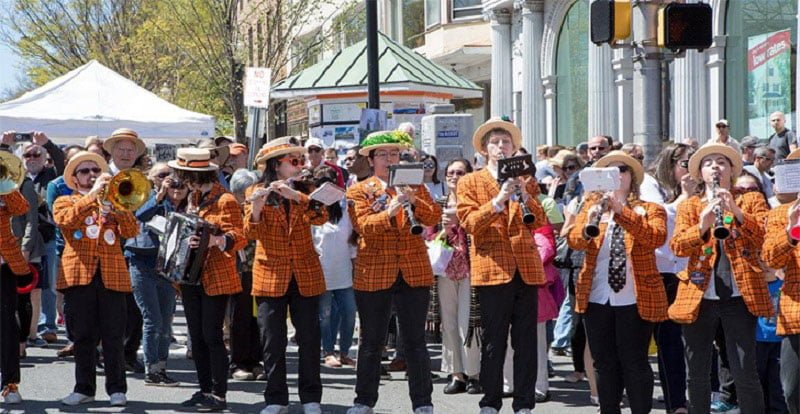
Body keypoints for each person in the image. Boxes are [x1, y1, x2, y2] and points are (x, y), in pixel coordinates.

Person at [669, 143, 772, 414]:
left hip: (739, 296)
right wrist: (703, 224)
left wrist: (735, 211)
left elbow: (763, 235)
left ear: (732, 170)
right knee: (697, 371)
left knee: (744, 371)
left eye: (721, 162)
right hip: (699, 295)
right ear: (701, 172)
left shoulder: (750, 199)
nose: (715, 167)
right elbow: (678, 245)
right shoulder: (690, 205)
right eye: (708, 163)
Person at [345, 130, 441, 414]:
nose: (390, 159)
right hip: (374, 270)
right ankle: (364, 400)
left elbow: (433, 217)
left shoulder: (414, 185)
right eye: (384, 155)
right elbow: (364, 227)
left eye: (395, 154)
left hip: (413, 269)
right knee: (371, 342)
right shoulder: (359, 190)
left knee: (415, 341)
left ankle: (423, 402)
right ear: (372, 160)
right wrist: (391, 209)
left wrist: (413, 200)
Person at [457, 118, 547, 414]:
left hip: (525, 268)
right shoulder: (470, 181)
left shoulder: (525, 178)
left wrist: (522, 191)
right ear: (484, 149)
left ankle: (524, 403)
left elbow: (540, 219)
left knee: (526, 341)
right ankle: (490, 401)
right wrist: (498, 200)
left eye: (505, 142)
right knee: (494, 340)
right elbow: (470, 223)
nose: (500, 147)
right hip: (493, 268)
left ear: (513, 147)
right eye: (495, 143)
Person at [567, 151, 668, 414]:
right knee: (603, 362)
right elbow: (575, 241)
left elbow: (655, 237)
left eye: (621, 169)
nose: (615, 175)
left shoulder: (649, 209)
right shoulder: (590, 206)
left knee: (634, 362)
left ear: (631, 177)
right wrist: (591, 218)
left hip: (636, 296)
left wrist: (621, 210)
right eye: (608, 171)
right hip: (597, 295)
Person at [243, 137, 328, 414]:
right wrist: (256, 207)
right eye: (294, 161)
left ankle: (311, 397)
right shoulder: (256, 189)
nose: (300, 164)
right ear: (275, 165)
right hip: (270, 274)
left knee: (309, 338)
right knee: (272, 340)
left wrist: (298, 197)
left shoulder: (307, 188)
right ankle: (276, 398)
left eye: (300, 160)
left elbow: (322, 216)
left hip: (305, 272)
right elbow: (249, 234)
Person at [53, 151, 139, 407]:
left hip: (111, 276)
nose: (91, 176)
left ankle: (117, 390)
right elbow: (64, 221)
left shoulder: (114, 201)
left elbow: (132, 230)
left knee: (114, 336)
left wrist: (117, 207)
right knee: (83, 337)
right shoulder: (64, 201)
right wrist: (92, 197)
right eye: (85, 172)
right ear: (75, 179)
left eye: (95, 171)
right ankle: (84, 388)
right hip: (79, 276)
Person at [168, 148, 246, 411]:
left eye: (187, 176)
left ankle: (219, 394)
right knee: (198, 335)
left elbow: (240, 235)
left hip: (217, 276)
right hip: (191, 276)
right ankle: (204, 389)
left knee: (212, 335)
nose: (185, 181)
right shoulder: (193, 198)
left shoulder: (225, 200)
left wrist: (216, 240)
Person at [639, 142, 696, 414]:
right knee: (662, 340)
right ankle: (663, 400)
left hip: (685, 268)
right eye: (686, 164)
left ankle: (681, 401)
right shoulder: (649, 184)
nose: (690, 171)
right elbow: (660, 216)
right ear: (670, 162)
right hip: (657, 269)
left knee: (684, 339)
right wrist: (685, 196)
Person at [124, 163, 181, 387]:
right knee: (152, 320)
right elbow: (140, 215)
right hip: (141, 263)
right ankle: (151, 370)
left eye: (170, 175)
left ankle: (161, 368)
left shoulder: (175, 199)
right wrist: (157, 196)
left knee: (166, 321)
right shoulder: (142, 196)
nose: (167, 179)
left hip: (165, 266)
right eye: (161, 175)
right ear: (151, 178)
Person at [102, 128, 148, 373]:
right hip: (105, 246)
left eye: (132, 150)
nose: (127, 153)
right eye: (122, 149)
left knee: (133, 306)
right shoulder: (98, 175)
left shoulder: (138, 179)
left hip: (133, 248)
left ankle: (128, 352)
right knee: (107, 305)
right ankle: (105, 352)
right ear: (112, 151)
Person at [436, 159, 481, 395]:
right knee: (449, 323)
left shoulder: (474, 203)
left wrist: (460, 222)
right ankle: (455, 373)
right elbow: (428, 237)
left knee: (469, 322)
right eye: (451, 172)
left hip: (471, 268)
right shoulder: (439, 204)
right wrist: (445, 229)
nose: (454, 176)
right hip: (445, 269)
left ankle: (474, 373)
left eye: (460, 172)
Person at [761, 148, 800, 414]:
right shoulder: (779, 214)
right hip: (794, 310)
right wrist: (791, 230)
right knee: (792, 389)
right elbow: (771, 259)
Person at [312, 165, 358, 369]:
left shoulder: (345, 209)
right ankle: (328, 351)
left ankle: (345, 351)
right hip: (321, 271)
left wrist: (355, 262)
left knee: (349, 312)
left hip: (344, 270)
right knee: (325, 315)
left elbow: (352, 240)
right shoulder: (312, 212)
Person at [0, 178, 36, 404]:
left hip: (4, 266)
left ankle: (10, 384)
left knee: (6, 326)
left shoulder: (4, 190)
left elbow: (22, 207)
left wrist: (3, 183)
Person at [228, 169, 264, 382]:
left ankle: (256, 361)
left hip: (258, 268)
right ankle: (238, 362)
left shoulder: (258, 206)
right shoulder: (231, 208)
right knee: (239, 318)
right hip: (238, 269)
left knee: (257, 317)